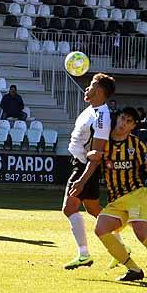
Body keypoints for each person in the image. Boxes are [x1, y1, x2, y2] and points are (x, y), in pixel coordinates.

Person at [93, 107, 147, 285]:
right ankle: (133, 269)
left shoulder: (136, 144)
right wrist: (91, 154)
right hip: (116, 200)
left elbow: (146, 162)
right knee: (100, 229)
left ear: (132, 126)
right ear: (117, 119)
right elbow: (91, 154)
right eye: (122, 119)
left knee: (141, 232)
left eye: (128, 122)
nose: (123, 124)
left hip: (135, 194)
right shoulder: (103, 141)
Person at [61, 73, 129, 271]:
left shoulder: (101, 117)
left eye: (90, 86)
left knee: (69, 208)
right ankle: (121, 248)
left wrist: (82, 180)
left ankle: (84, 254)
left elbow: (97, 154)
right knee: (92, 209)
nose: (87, 89)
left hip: (84, 166)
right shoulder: (92, 110)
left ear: (98, 91)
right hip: (79, 162)